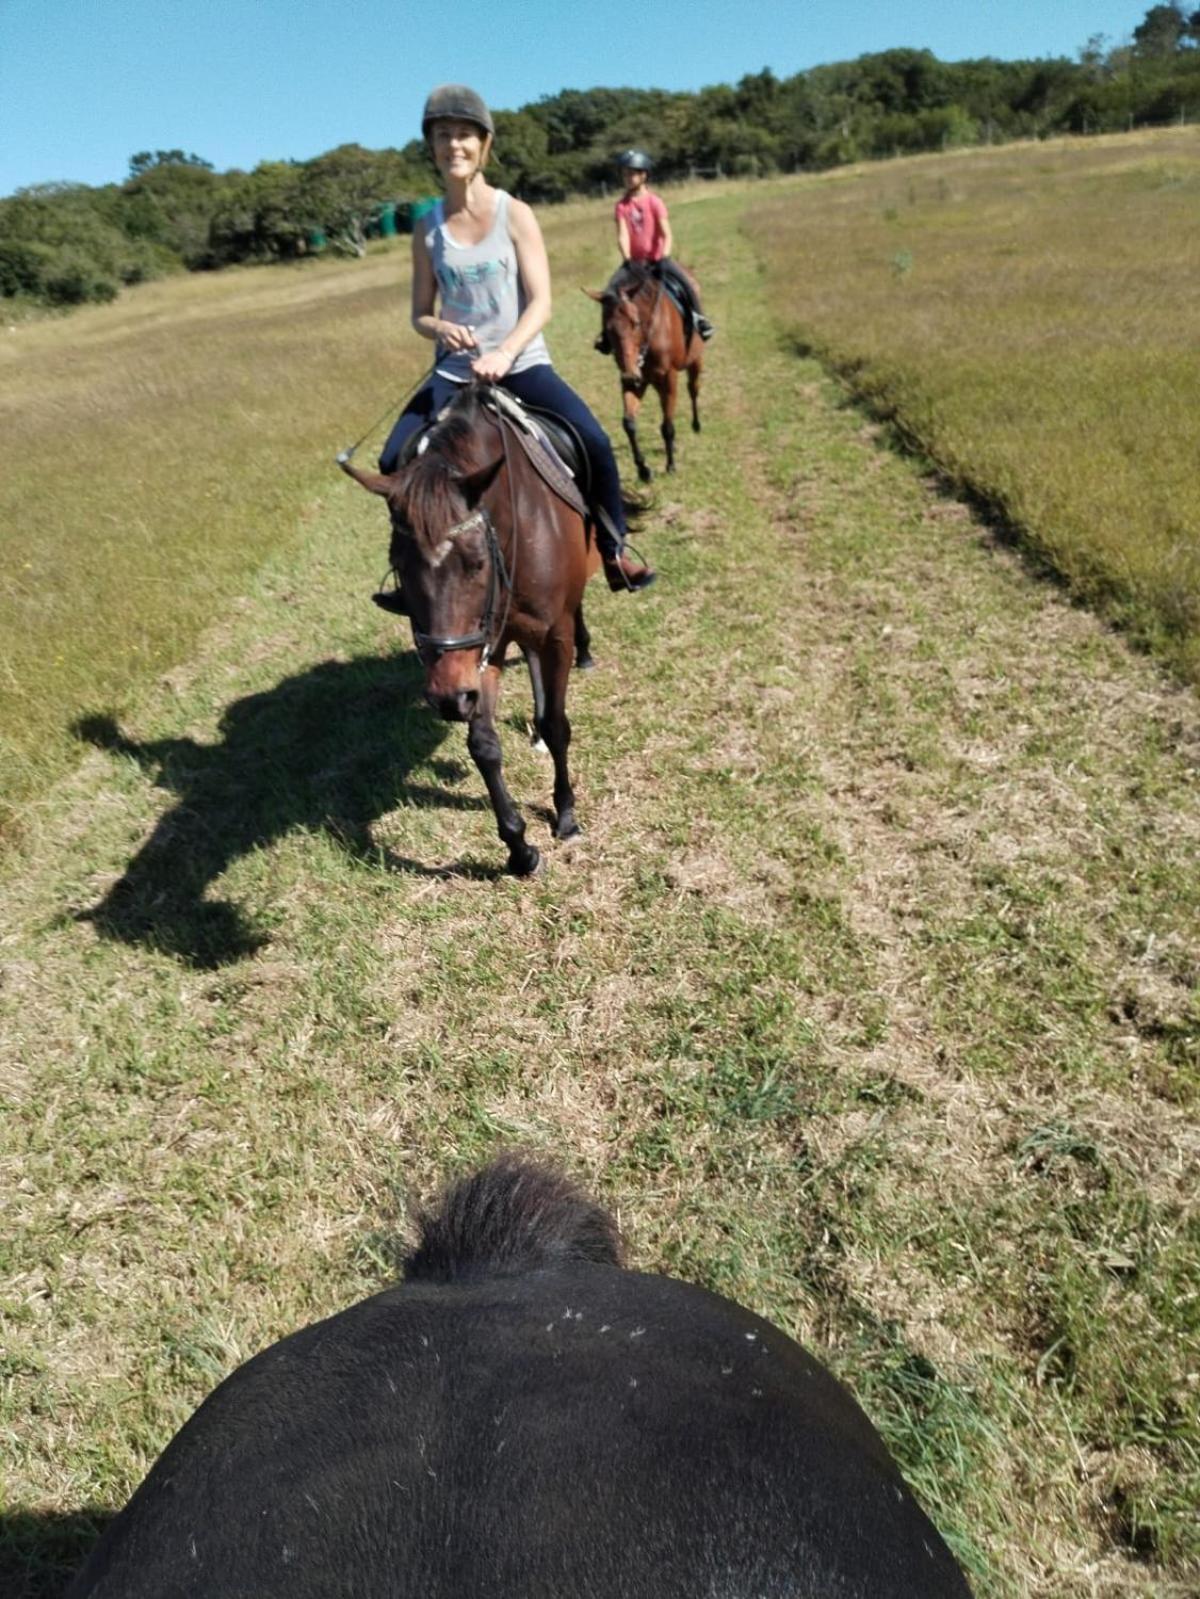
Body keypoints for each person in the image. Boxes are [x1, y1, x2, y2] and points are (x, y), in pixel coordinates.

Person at [374, 84, 654, 610]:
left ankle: (615, 550)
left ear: (484, 145)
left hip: (520, 363)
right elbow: (419, 313)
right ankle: (407, 576)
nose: (453, 144)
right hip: (455, 373)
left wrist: (505, 353)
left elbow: (542, 302)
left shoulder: (515, 214)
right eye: (442, 135)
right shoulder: (426, 229)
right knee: (395, 460)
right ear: (431, 147)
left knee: (592, 440)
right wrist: (438, 328)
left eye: (463, 135)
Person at [595, 149, 714, 355]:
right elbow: (622, 234)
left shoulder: (654, 202)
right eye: (625, 174)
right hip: (634, 263)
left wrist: (664, 255)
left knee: (686, 284)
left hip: (659, 259)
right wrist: (627, 258)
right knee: (610, 293)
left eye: (632, 173)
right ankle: (606, 336)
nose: (628, 178)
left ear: (644, 175)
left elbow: (666, 233)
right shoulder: (621, 206)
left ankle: (699, 318)